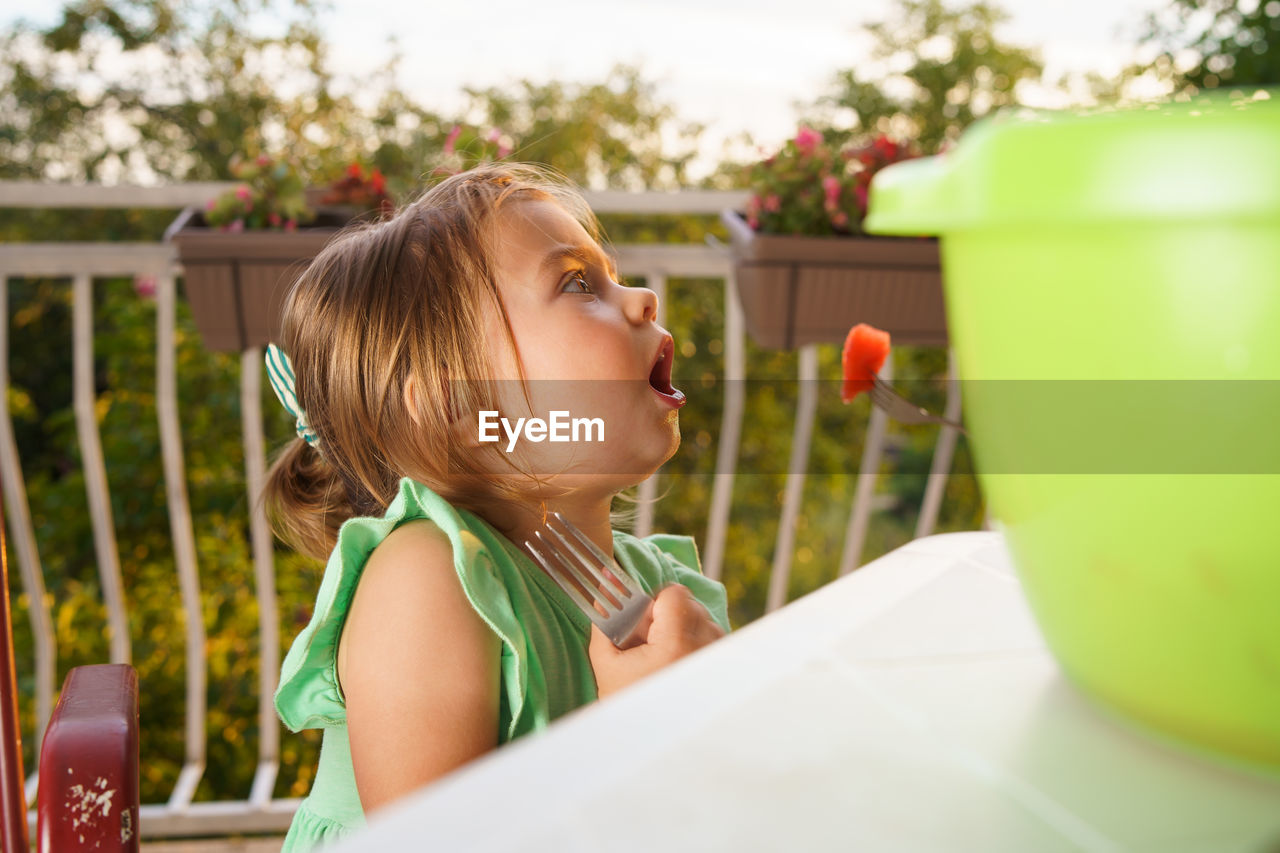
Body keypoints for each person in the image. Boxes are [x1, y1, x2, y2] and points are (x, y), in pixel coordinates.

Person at [263, 163, 730, 851]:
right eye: (577, 282)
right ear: (458, 406)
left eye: (611, 274)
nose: (644, 298)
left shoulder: (663, 597)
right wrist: (637, 738)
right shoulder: (425, 580)